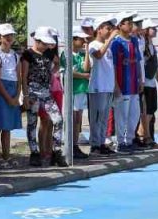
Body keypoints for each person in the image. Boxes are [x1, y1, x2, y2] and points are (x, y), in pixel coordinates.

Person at [22, 26, 66, 167]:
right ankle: (34, 152)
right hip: (33, 91)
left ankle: (56, 151)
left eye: (48, 43)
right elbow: (24, 77)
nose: (47, 46)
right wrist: (26, 95)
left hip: (46, 92)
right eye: (44, 43)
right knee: (32, 123)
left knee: (58, 119)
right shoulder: (27, 54)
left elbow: (58, 63)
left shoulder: (48, 53)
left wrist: (52, 72)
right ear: (37, 40)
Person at [0, 24, 21, 168]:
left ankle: (7, 155)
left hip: (12, 90)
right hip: (0, 91)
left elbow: (18, 77)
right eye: (5, 35)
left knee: (7, 127)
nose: (9, 38)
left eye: (11, 35)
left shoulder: (15, 55)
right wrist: (8, 98)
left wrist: (17, 95)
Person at [110, 12, 143, 153]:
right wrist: (116, 85)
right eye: (127, 22)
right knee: (121, 115)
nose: (131, 25)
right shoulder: (116, 43)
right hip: (122, 86)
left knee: (135, 114)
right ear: (120, 25)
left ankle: (129, 140)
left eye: (131, 22)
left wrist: (140, 80)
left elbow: (138, 62)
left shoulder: (135, 41)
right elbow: (112, 66)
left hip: (134, 86)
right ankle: (120, 142)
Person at [87, 16, 118, 156]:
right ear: (99, 29)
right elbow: (98, 56)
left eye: (111, 29)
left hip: (108, 87)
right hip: (97, 86)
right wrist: (110, 39)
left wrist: (115, 86)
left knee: (104, 117)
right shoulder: (93, 44)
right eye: (107, 28)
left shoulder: (108, 47)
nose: (110, 31)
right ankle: (94, 145)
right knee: (96, 117)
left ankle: (101, 142)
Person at [139, 19, 158, 149]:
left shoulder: (151, 46)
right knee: (146, 111)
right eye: (152, 28)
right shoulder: (142, 45)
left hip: (151, 82)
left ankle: (148, 136)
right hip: (145, 83)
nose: (155, 30)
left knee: (151, 111)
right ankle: (144, 136)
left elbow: (155, 67)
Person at [69, 28, 92, 160]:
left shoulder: (83, 54)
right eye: (81, 39)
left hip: (82, 89)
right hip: (72, 90)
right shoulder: (66, 54)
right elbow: (68, 72)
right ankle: (70, 145)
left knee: (78, 119)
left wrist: (87, 50)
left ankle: (75, 145)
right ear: (74, 40)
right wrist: (83, 75)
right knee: (72, 119)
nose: (84, 41)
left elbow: (86, 68)